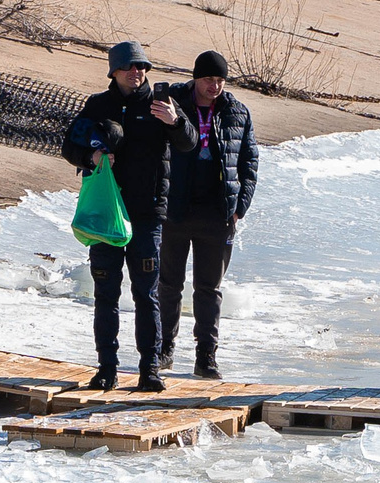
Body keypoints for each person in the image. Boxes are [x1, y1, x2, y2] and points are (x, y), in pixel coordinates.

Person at [63, 41, 196, 393]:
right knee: (105, 293)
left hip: (147, 214)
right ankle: (106, 368)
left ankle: (149, 369)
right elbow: (68, 145)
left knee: (146, 294)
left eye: (142, 67)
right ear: (114, 71)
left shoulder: (160, 105)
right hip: (106, 213)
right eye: (130, 67)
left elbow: (189, 143)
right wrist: (89, 157)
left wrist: (176, 121)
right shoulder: (97, 105)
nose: (138, 73)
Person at [160, 49, 256, 380]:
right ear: (195, 79)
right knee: (169, 283)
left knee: (209, 287)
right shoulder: (173, 104)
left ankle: (206, 355)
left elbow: (249, 162)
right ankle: (164, 348)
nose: (213, 86)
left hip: (218, 213)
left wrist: (239, 206)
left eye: (219, 80)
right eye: (207, 80)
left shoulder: (236, 112)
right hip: (176, 209)